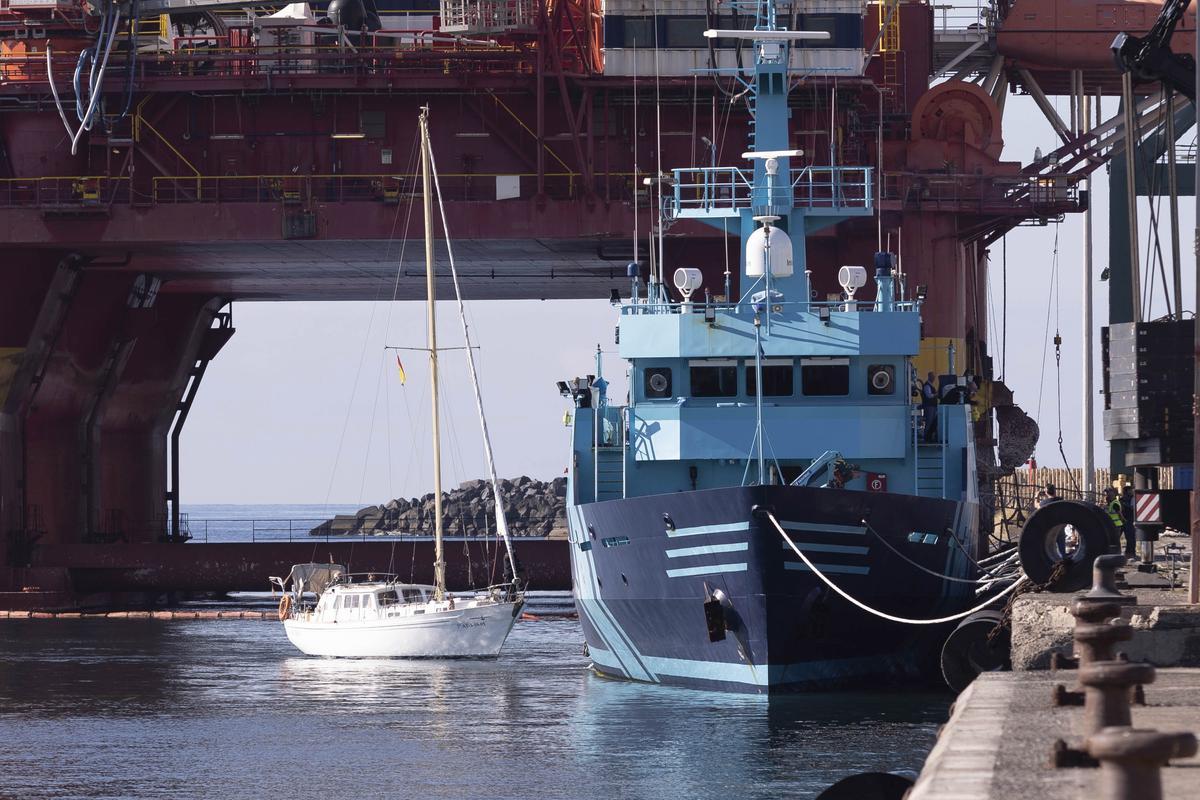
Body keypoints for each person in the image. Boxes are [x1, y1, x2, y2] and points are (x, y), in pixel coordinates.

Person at [1104, 487, 1126, 552]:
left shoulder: (1115, 503)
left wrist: (1123, 520)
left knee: (1115, 540)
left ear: (1113, 494)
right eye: (1106, 493)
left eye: (1108, 493)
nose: (1107, 495)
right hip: (1112, 525)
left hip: (1116, 525)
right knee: (1113, 540)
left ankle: (1117, 553)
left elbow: (1119, 514)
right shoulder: (1110, 503)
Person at [920, 371, 938, 442]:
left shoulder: (930, 385)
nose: (934, 378)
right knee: (929, 422)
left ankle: (930, 436)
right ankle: (926, 437)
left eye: (934, 377)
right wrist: (936, 394)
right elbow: (929, 395)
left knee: (933, 422)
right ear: (929, 377)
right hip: (929, 406)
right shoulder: (927, 385)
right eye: (932, 377)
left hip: (933, 406)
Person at [1120, 484, 1137, 558]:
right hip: (1124, 520)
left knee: (1130, 538)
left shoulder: (1132, 499)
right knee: (1130, 538)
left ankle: (1130, 553)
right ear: (1126, 492)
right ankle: (1129, 553)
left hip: (1126, 520)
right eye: (1130, 490)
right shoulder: (1122, 500)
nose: (1132, 491)